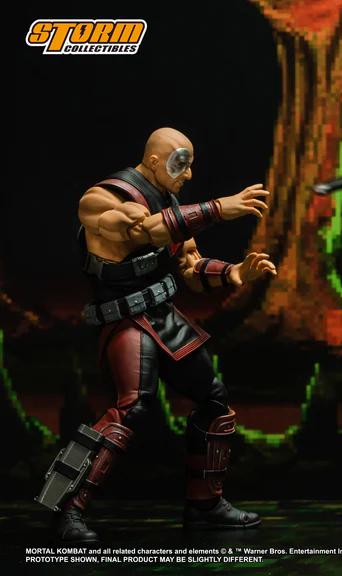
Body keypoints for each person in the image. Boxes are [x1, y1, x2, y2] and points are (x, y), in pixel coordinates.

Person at [36, 127, 277, 543]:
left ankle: (205, 505)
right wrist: (219, 208)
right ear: (153, 161)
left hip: (163, 316)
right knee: (130, 409)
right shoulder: (103, 199)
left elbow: (190, 269)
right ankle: (63, 506)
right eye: (180, 163)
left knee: (214, 400)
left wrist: (235, 272)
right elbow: (145, 232)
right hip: (125, 320)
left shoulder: (171, 203)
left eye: (190, 165)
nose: (187, 174)